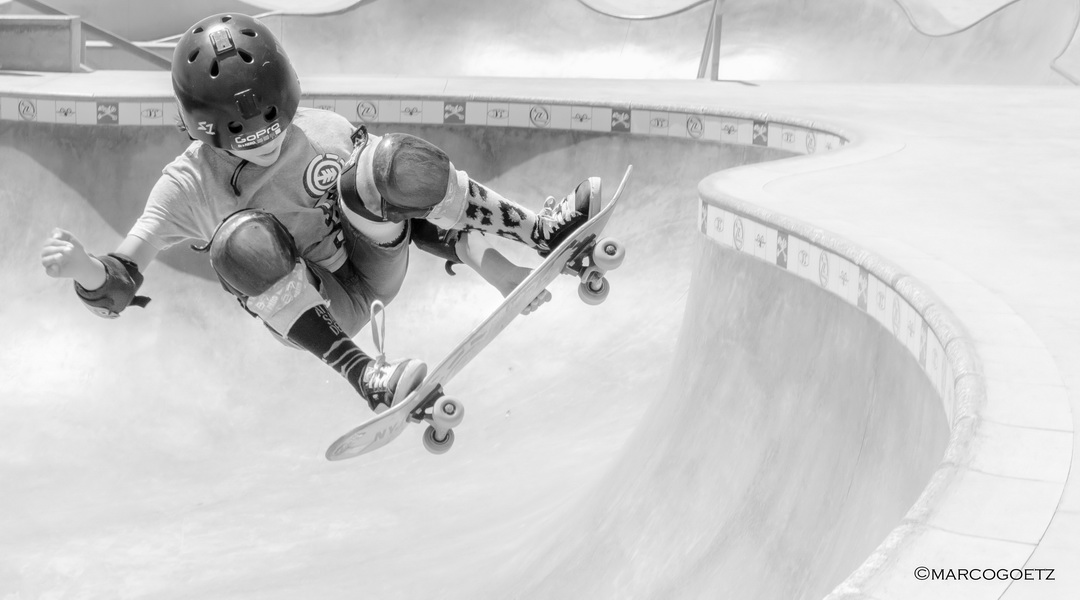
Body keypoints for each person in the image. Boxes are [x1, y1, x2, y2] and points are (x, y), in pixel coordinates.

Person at [39, 13, 601, 415]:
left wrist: (493, 264)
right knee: (239, 240)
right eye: (246, 143)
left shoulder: (323, 127)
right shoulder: (185, 186)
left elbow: (411, 198)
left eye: (277, 127)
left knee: (384, 162)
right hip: (315, 308)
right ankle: (368, 377)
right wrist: (86, 270)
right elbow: (120, 281)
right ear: (205, 131)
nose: (267, 146)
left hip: (374, 263)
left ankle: (541, 230)